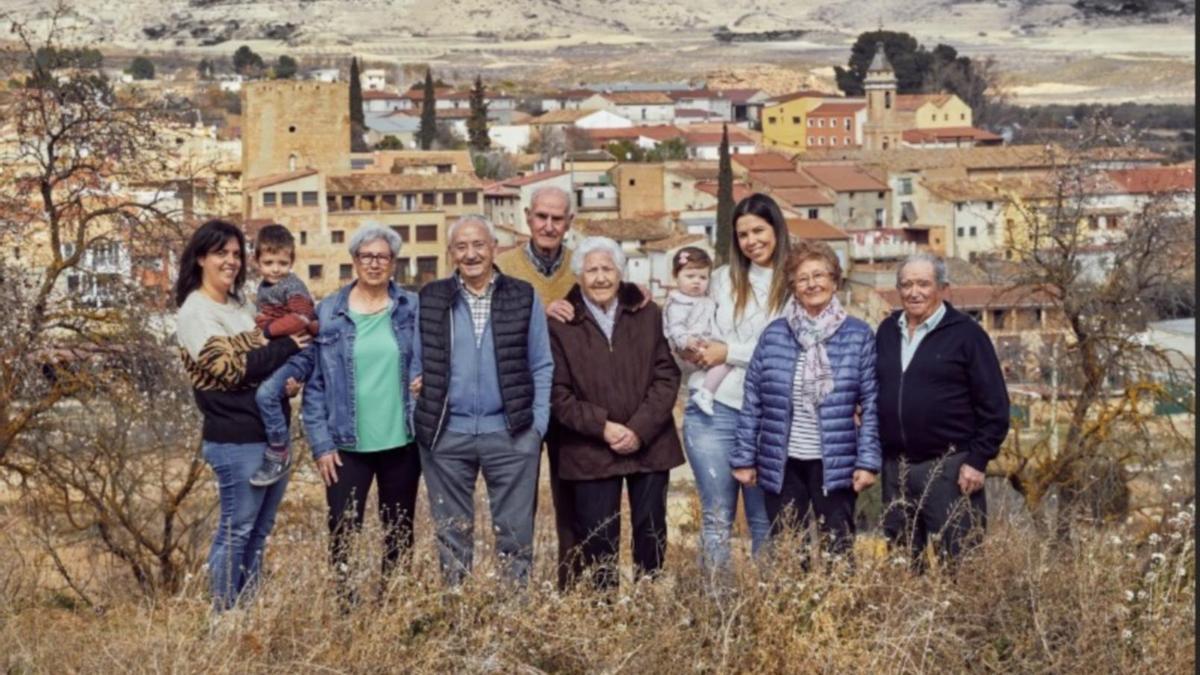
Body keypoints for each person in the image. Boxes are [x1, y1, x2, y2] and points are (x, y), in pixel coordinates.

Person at [412, 214, 554, 587]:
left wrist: (536, 427)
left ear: (494, 248)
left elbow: (541, 363)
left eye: (479, 245)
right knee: (451, 536)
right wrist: (422, 420)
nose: (471, 253)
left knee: (515, 535)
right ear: (451, 253)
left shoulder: (522, 296)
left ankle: (512, 620)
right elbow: (414, 363)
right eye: (461, 246)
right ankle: (457, 620)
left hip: (511, 434)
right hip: (447, 436)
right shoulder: (432, 297)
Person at [173, 219, 307, 611]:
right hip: (235, 440)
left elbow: (257, 361)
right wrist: (285, 348)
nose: (231, 261)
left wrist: (282, 375)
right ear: (201, 258)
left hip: (270, 437)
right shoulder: (196, 312)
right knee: (237, 531)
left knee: (259, 532)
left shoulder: (242, 304)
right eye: (221, 253)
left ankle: (247, 616)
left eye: (235, 254)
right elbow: (230, 370)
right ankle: (223, 617)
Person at [288, 225, 424, 602]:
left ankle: (391, 607)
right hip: (346, 446)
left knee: (399, 530)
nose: (375, 264)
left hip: (403, 441)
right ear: (354, 262)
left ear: (394, 263)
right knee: (343, 531)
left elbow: (434, 352)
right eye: (367, 256)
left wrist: (426, 374)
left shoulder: (412, 308)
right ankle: (345, 608)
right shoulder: (329, 312)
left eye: (383, 257)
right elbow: (314, 386)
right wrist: (320, 445)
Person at [547, 236, 684, 591]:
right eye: (591, 270)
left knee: (651, 531)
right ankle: (604, 614)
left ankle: (648, 602)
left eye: (608, 268)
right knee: (597, 538)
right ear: (578, 276)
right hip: (589, 450)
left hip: (650, 444)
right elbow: (557, 394)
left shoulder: (648, 313)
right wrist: (603, 428)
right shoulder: (560, 323)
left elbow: (667, 375)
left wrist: (638, 429)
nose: (600, 277)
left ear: (621, 272)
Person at [732, 240, 880, 562]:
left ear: (834, 280)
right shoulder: (774, 335)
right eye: (803, 278)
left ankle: (836, 612)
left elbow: (870, 402)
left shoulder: (858, 335)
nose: (812, 284)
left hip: (835, 463)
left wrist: (868, 462)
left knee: (837, 550)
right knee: (788, 550)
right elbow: (753, 399)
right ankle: (792, 612)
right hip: (782, 462)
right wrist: (743, 457)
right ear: (793, 287)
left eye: (820, 275)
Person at [680, 193, 792, 575]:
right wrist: (692, 344)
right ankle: (716, 613)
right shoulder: (722, 279)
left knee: (765, 524)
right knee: (715, 521)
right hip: (713, 413)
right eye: (743, 234)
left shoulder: (795, 281)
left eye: (759, 230)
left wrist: (728, 351)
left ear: (776, 228)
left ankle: (767, 614)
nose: (751, 241)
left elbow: (787, 349)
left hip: (768, 418)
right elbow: (692, 321)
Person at [876, 253, 1010, 570]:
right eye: (906, 284)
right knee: (903, 565)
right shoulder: (886, 331)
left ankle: (965, 621)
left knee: (962, 563)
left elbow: (995, 407)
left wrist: (977, 461)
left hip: (950, 468)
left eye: (924, 283)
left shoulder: (967, 335)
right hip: (896, 469)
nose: (914, 292)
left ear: (943, 288)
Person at [493, 185, 582, 590]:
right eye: (541, 217)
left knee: (574, 504)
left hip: (571, 398)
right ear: (527, 217)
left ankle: (573, 591)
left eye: (557, 218)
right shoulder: (503, 266)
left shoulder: (584, 266)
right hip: (518, 399)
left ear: (569, 223)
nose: (548, 226)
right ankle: (516, 589)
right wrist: (536, 313)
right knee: (517, 503)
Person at [249, 224, 319, 486]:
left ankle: (279, 450)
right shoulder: (263, 287)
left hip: (301, 353)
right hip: (284, 351)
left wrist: (268, 329)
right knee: (268, 391)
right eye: (268, 263)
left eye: (282, 262)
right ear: (257, 261)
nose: (276, 269)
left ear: (292, 261)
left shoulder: (292, 285)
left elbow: (302, 317)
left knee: (266, 394)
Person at [662, 246, 729, 415]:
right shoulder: (679, 302)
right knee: (726, 362)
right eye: (690, 276)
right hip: (688, 347)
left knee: (727, 360)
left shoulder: (705, 298)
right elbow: (675, 327)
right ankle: (706, 393)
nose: (697, 281)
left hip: (704, 342)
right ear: (676, 276)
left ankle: (705, 390)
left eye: (703, 277)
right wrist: (686, 341)